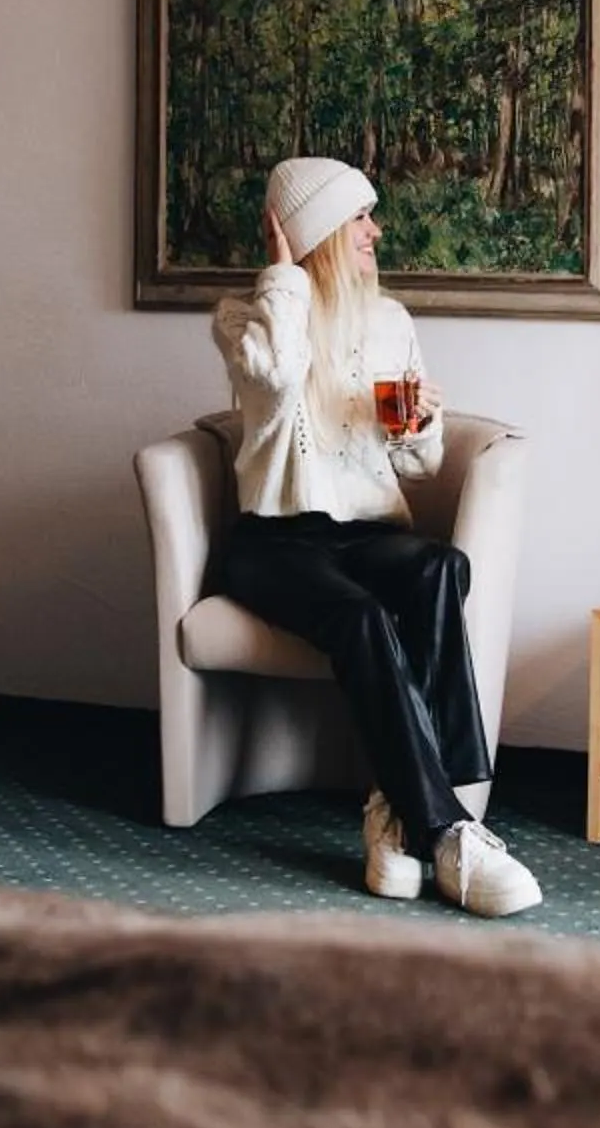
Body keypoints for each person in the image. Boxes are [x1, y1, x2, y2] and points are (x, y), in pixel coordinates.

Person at [205, 156, 541, 917]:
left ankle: (398, 808)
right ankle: (453, 830)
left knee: (438, 570)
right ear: (320, 228)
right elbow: (276, 373)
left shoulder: (389, 322)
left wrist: (419, 425)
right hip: (273, 543)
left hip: (365, 534)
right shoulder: (247, 317)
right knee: (361, 618)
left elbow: (417, 464)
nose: (374, 231)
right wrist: (285, 274)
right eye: (360, 217)